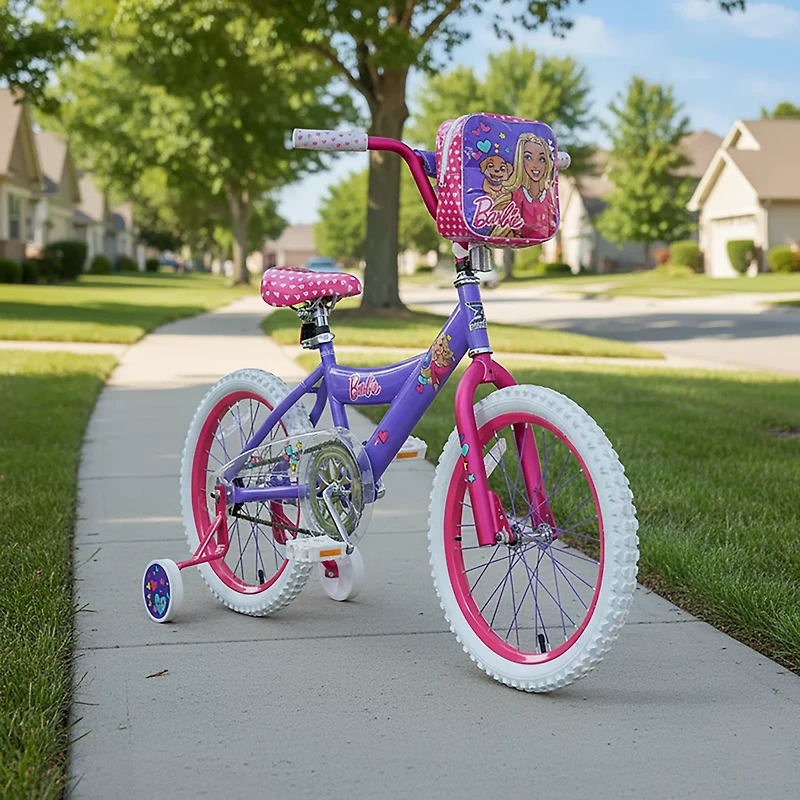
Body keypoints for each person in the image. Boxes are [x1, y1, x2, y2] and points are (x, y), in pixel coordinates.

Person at [490, 133, 556, 240]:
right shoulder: (513, 198)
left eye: (542, 159)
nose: (536, 164)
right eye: (528, 157)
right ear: (520, 160)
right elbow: (499, 233)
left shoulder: (549, 197)